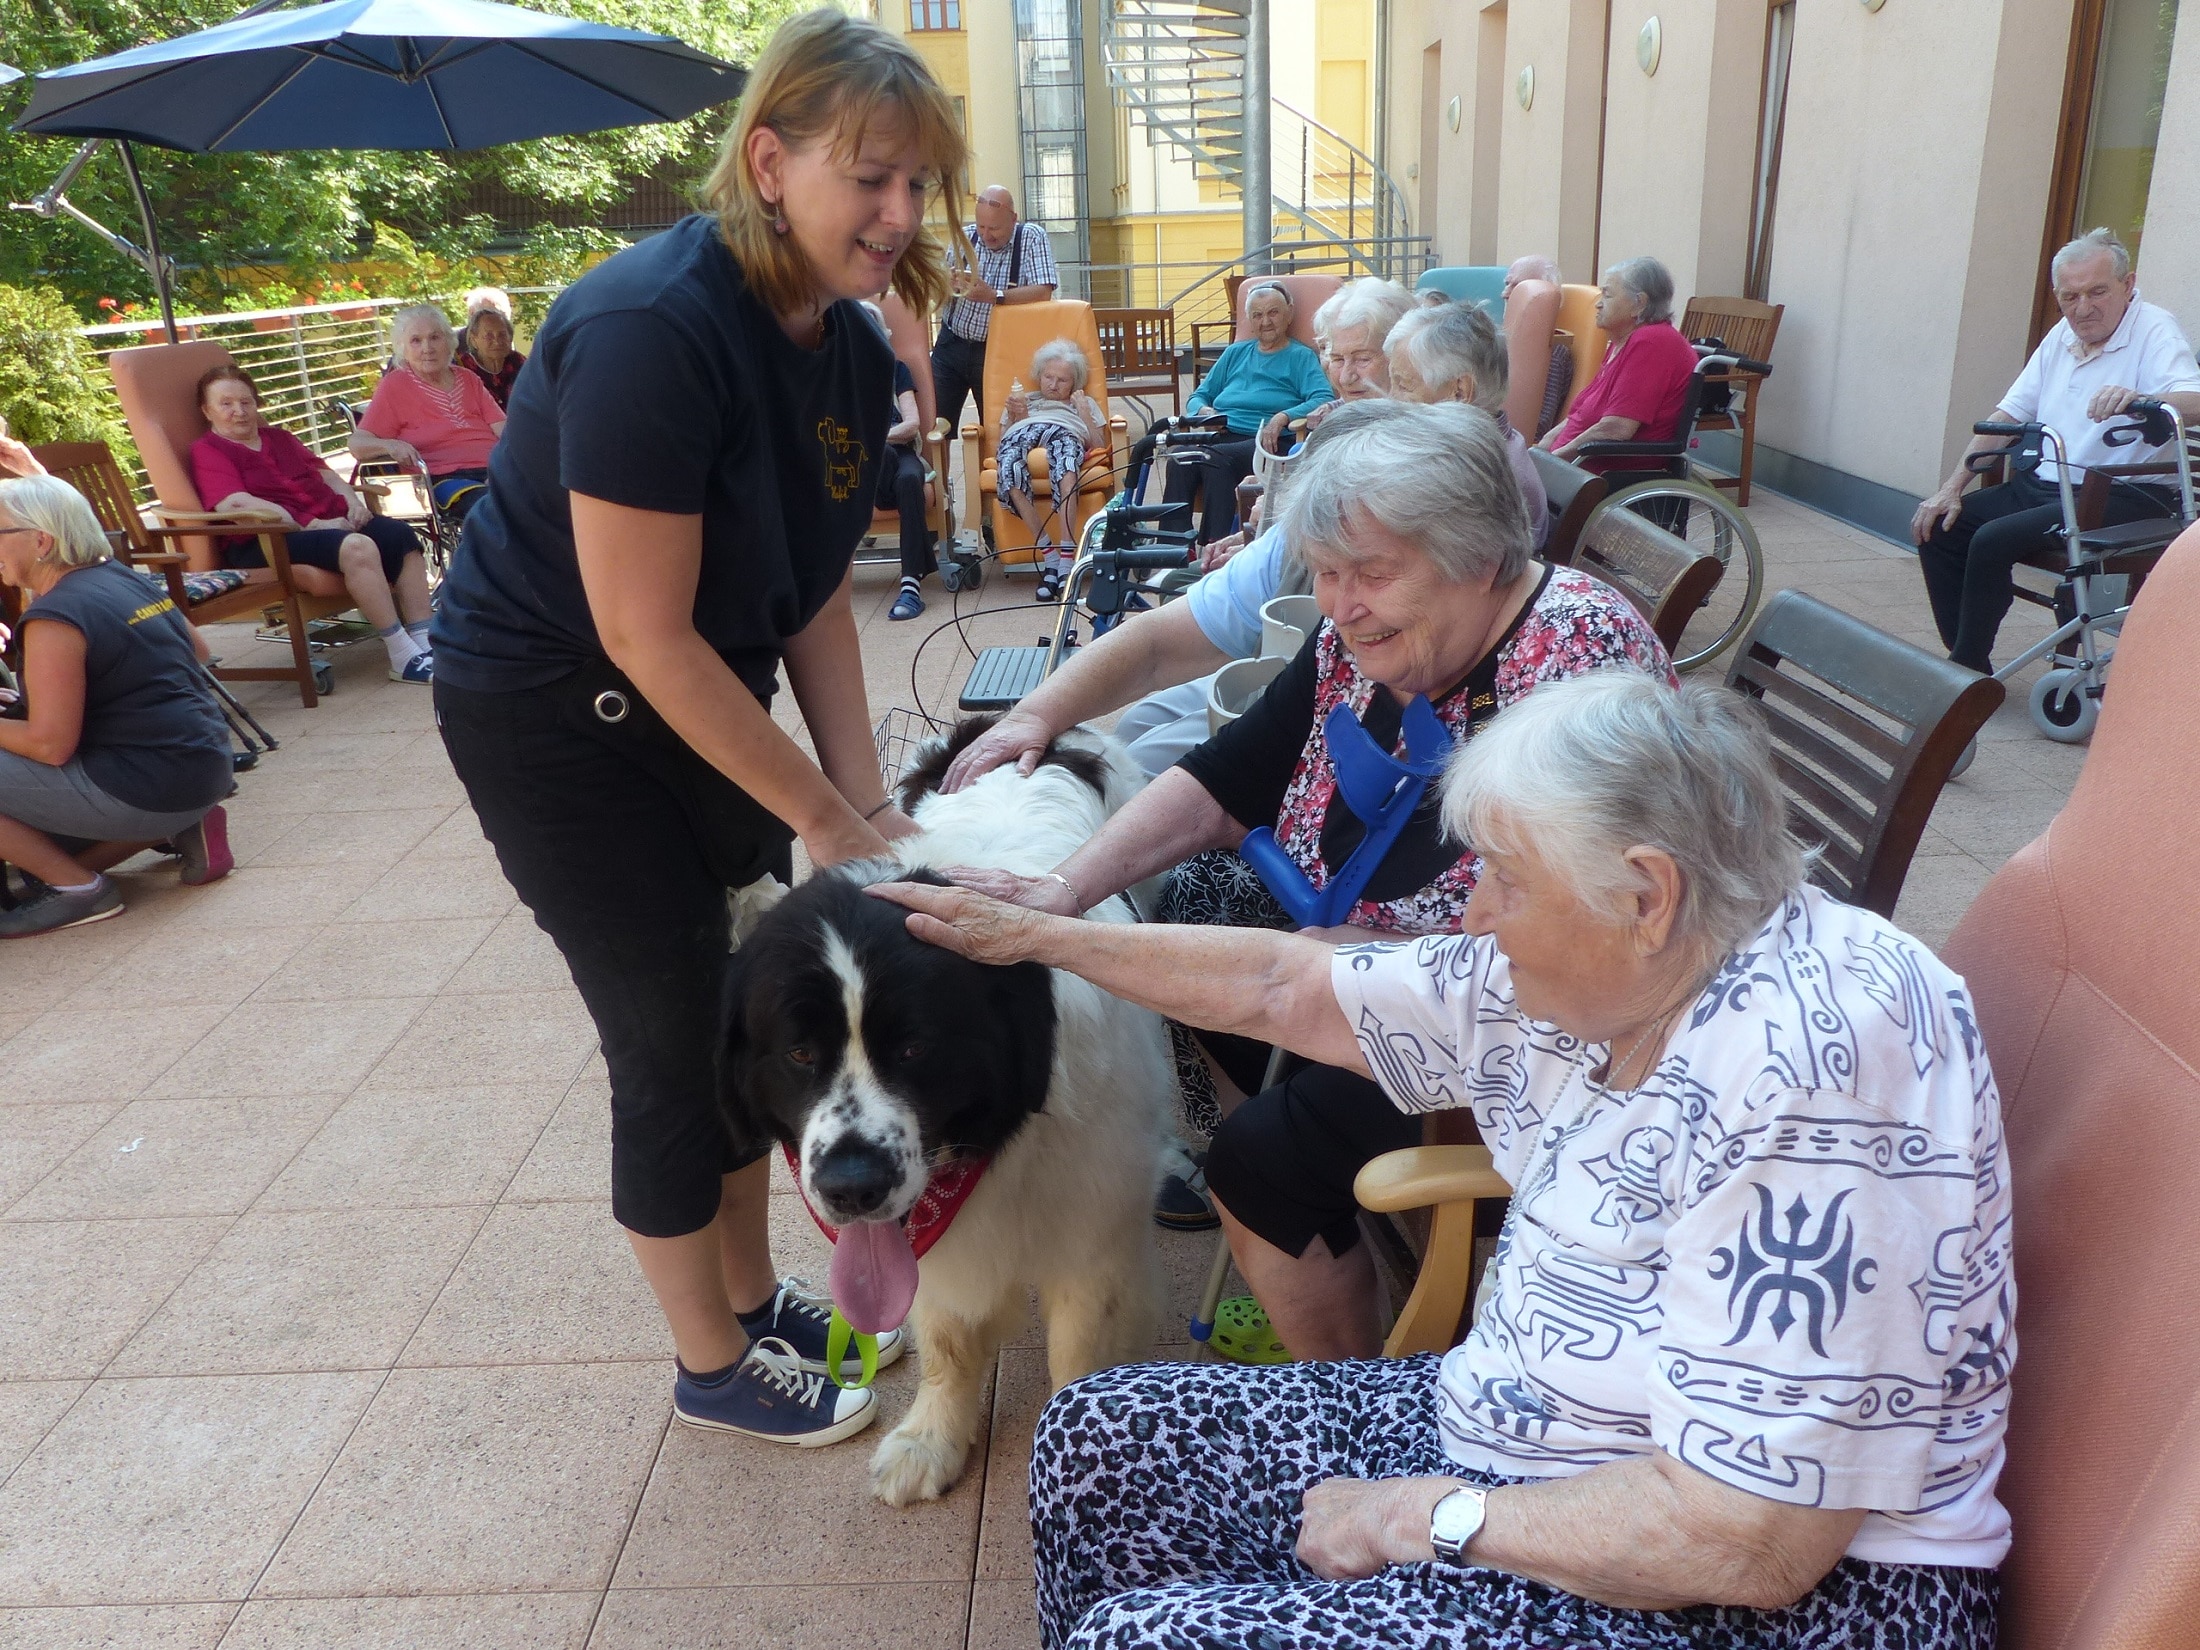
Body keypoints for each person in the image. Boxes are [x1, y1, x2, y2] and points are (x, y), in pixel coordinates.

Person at [873, 670, 2014, 1650]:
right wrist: (1037, 933)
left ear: (1648, 892)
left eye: (1505, 879)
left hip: (1764, 1597)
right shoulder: (1613, 962)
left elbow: (1752, 1539)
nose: (1473, 918)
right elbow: (1288, 985)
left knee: (1152, 1639)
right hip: (1528, 1439)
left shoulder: (1822, 1065)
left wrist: (1419, 1517)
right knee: (1097, 1436)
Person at [428, 5, 965, 1448]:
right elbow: (640, 628)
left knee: (746, 1012)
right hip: (552, 713)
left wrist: (870, 811)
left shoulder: (844, 349)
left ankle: (754, 1295)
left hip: (693, 696)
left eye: (921, 183)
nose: (901, 212)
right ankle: (706, 1360)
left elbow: (813, 603)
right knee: (667, 1035)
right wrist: (824, 819)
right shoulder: (648, 327)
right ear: (772, 161)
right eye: (875, 177)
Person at [946, 402, 1671, 1267]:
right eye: (1326, 572)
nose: (1340, 605)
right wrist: (1065, 889)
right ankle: (1306, 1222)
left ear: (1479, 557)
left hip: (1524, 1031)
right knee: (1194, 902)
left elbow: (1582, 939)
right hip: (1359, 954)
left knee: (1264, 1160)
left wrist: (1360, 964)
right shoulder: (1379, 639)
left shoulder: (1576, 671)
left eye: (1366, 572)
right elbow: (1228, 778)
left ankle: (1347, 1352)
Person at [1913, 227, 2200, 673]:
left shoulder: (2154, 328)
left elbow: (2194, 402)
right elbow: (2008, 415)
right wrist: (1952, 485)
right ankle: (1969, 659)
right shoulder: (2060, 337)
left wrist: (2142, 398)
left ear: (2128, 285)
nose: (2083, 308)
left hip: (2123, 495)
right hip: (2050, 486)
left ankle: (1963, 671)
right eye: (2070, 297)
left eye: (2098, 292)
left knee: (1992, 539)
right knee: (1942, 525)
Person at [0, 475, 235, 936]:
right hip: (205, 764)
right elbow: (198, 652)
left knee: (36, 834)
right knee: (33, 852)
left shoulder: (54, 617)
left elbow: (50, 746)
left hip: (148, 782)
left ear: (41, 540)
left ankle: (80, 890)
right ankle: (182, 824)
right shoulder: (122, 577)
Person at [187, 363, 436, 683]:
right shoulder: (208, 450)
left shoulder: (279, 438)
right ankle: (402, 655)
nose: (239, 411)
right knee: (357, 548)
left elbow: (328, 476)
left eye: (246, 402)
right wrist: (313, 525)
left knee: (401, 537)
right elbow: (235, 504)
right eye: (226, 404)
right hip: (269, 539)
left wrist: (352, 503)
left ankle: (425, 643)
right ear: (207, 410)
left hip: (331, 521)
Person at [1161, 283, 1334, 543]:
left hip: (1267, 441)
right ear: (1249, 321)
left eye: (1273, 313)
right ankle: (1171, 548)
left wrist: (1283, 417)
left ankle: (1212, 547)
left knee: (1213, 458)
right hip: (1222, 434)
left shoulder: (1300, 356)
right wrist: (1206, 411)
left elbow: (1323, 399)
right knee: (1180, 457)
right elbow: (1198, 395)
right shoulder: (1234, 353)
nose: (1265, 322)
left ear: (1289, 313)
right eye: (1257, 315)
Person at [1385, 300, 1549, 547]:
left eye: (1403, 386)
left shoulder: (1475, 479)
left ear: (1459, 391)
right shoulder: (1463, 450)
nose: (1391, 400)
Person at [350, 304, 507, 527]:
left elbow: (506, 430)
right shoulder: (396, 385)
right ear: (403, 348)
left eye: (435, 337)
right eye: (416, 340)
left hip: (495, 471)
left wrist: (508, 466)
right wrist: (390, 445)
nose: (427, 348)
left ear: (449, 342)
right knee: (493, 507)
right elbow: (357, 443)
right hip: (447, 479)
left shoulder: (468, 378)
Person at [1538, 256, 1699, 473]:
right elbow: (1581, 414)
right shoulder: (1621, 342)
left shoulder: (1653, 342)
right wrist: (1543, 450)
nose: (1598, 303)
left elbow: (1616, 428)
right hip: (1576, 465)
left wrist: (1552, 462)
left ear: (1639, 304)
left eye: (1607, 294)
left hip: (1602, 471)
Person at [929, 184, 1059, 438]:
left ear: (1013, 219)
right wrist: (947, 284)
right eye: (981, 227)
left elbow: (1043, 290)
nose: (986, 236)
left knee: (994, 428)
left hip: (996, 350)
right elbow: (938, 287)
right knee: (936, 427)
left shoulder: (1031, 237)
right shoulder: (965, 237)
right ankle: (938, 478)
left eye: (994, 229)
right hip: (950, 344)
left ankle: (989, 476)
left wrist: (994, 296)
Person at [998, 339, 1107, 601]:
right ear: (1039, 375)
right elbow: (1001, 444)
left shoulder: (1084, 403)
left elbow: (1101, 446)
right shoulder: (1022, 400)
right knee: (1008, 468)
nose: (1053, 384)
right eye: (1048, 377)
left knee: (1067, 465)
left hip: (1066, 430)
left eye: (1062, 380)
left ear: (1075, 383)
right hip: (1025, 428)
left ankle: (1066, 559)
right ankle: (1050, 555)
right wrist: (1020, 417)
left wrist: (1082, 411)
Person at [862, 301, 938, 623]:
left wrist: (873, 436)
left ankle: (910, 586)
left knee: (909, 478)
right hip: (865, 466)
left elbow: (911, 424)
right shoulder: (837, 375)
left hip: (900, 454)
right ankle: (917, 576)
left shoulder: (897, 370)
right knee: (891, 463)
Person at [456, 288, 527, 410]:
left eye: (502, 335)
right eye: (489, 335)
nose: (496, 341)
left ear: (510, 338)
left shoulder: (518, 362)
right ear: (474, 339)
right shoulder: (462, 368)